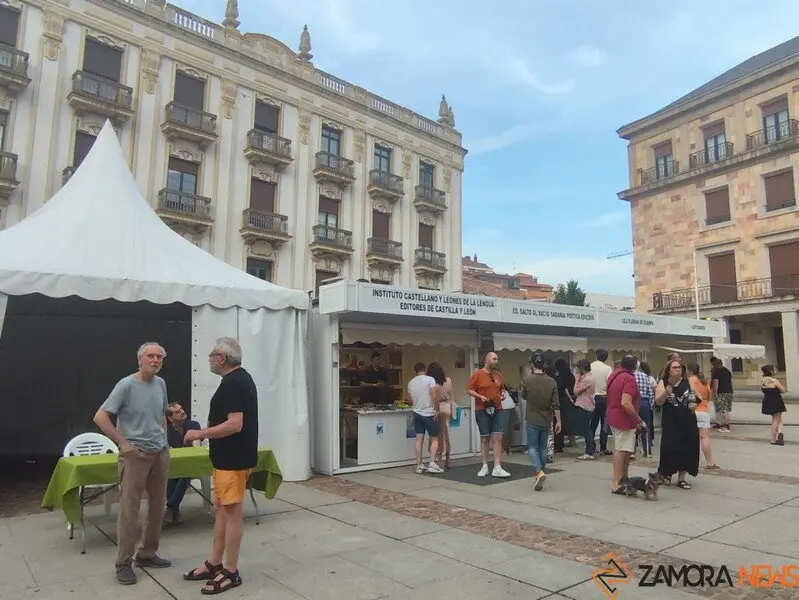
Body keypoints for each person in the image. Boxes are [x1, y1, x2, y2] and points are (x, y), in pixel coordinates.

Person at [183, 338, 258, 594]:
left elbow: (235, 424)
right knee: (222, 511)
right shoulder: (239, 379)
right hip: (227, 460)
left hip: (233, 462)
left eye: (212, 354)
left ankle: (231, 570)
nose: (209, 358)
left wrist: (199, 433)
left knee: (232, 513)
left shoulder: (234, 383)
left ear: (223, 358)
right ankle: (215, 562)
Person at [93, 342, 171, 585]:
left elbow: (161, 414)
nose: (155, 360)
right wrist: (123, 444)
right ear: (139, 360)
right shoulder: (126, 384)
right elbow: (100, 417)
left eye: (159, 357)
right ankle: (123, 563)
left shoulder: (160, 384)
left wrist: (166, 433)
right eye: (150, 356)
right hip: (135, 456)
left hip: (159, 452)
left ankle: (147, 553)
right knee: (130, 510)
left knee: (159, 505)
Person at [655, 359, 699, 490]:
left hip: (687, 421)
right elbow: (658, 402)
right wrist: (668, 389)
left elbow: (697, 398)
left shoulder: (688, 382)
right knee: (670, 447)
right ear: (668, 370)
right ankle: (667, 473)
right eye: (674, 367)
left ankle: (682, 478)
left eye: (679, 368)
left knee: (687, 448)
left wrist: (694, 404)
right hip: (671, 421)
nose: (677, 370)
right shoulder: (663, 383)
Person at [606, 355, 646, 495]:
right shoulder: (629, 379)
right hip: (624, 419)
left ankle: (624, 478)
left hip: (613, 415)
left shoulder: (613, 375)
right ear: (635, 366)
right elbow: (626, 402)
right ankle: (616, 483)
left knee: (625, 449)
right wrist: (639, 420)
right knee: (622, 449)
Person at [467, 352, 510, 478]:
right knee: (485, 438)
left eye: (497, 359)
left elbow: (502, 389)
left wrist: (503, 394)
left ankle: (497, 466)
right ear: (487, 360)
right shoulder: (478, 374)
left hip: (497, 408)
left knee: (498, 436)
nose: (496, 361)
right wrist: (479, 396)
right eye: (494, 358)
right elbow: (469, 389)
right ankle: (484, 465)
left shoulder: (498, 375)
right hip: (482, 409)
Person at [521, 353, 561, 490]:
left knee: (532, 447)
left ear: (532, 364)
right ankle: (541, 472)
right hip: (546, 418)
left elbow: (523, 395)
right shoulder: (551, 381)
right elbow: (556, 404)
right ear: (543, 364)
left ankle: (538, 471)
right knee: (543, 447)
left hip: (532, 417)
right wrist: (559, 421)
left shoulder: (527, 380)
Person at [164, 402, 201, 526]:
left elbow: (196, 450)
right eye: (177, 412)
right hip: (176, 464)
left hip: (193, 463)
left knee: (186, 472)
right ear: (170, 418)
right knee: (170, 473)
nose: (182, 412)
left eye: (182, 409)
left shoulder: (193, 425)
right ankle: (175, 510)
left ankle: (170, 507)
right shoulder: (167, 431)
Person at [408, 362, 443, 474]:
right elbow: (433, 395)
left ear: (416, 370)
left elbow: (410, 401)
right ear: (424, 369)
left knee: (419, 439)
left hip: (416, 412)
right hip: (429, 413)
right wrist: (437, 409)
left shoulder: (410, 383)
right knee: (434, 438)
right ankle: (432, 463)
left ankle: (419, 465)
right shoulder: (430, 379)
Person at [688, 364, 718, 469]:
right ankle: (710, 462)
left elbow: (691, 393)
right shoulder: (705, 382)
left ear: (690, 371)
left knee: (690, 438)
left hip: (693, 410)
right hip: (704, 411)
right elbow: (709, 397)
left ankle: (690, 462)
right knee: (705, 438)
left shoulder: (691, 380)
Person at [427, 362, 455, 469]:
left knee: (436, 435)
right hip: (447, 406)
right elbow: (452, 397)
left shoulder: (432, 383)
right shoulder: (448, 380)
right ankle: (447, 458)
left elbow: (432, 397)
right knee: (446, 435)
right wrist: (452, 410)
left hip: (437, 408)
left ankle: (438, 459)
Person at [590, 350, 613, 457]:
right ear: (606, 358)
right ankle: (603, 448)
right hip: (604, 398)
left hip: (592, 398)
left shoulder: (590, 366)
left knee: (593, 423)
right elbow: (610, 383)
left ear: (596, 355)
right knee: (605, 423)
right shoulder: (607, 368)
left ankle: (591, 447)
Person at [572, 359, 596, 460]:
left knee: (587, 430)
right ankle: (591, 448)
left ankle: (589, 451)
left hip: (585, 406)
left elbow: (575, 391)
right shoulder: (587, 377)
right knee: (587, 429)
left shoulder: (588, 379)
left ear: (582, 369)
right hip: (586, 405)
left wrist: (577, 379)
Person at [553, 359, 576, 453]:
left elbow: (562, 388)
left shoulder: (559, 377)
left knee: (559, 422)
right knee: (569, 421)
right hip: (571, 400)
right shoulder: (571, 375)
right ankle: (572, 440)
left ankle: (559, 444)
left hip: (562, 400)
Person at [761, 365, 787, 446]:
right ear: (771, 371)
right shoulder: (774, 381)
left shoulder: (762, 380)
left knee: (777, 419)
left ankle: (780, 433)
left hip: (767, 401)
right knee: (776, 420)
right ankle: (773, 439)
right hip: (776, 401)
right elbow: (783, 390)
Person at [634, 361, 654, 458]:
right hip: (645, 402)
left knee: (633, 427)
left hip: (634, 403)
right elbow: (650, 391)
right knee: (646, 427)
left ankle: (632, 451)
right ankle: (648, 451)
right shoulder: (644, 376)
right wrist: (650, 404)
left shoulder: (629, 376)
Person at [710, 357, 733, 432]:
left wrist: (715, 393)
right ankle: (726, 425)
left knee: (723, 409)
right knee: (726, 409)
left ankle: (726, 426)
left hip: (721, 392)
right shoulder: (727, 371)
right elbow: (730, 381)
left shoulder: (717, 371)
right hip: (729, 391)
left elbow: (716, 382)